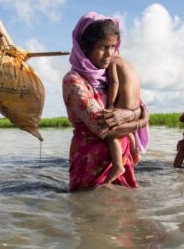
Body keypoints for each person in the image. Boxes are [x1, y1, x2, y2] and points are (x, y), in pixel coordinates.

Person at [63, 11, 149, 191]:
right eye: (103, 47)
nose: (109, 54)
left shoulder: (109, 76)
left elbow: (134, 106)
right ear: (85, 47)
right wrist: (141, 119)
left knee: (125, 213)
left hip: (122, 161)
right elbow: (103, 128)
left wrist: (133, 114)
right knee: (92, 211)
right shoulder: (74, 80)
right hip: (91, 162)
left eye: (112, 47)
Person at [106, 55, 143, 183]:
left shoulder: (113, 62)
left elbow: (114, 82)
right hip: (135, 107)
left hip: (124, 106)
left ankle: (117, 166)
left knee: (112, 134)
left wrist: (110, 103)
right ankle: (134, 151)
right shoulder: (129, 64)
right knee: (127, 131)